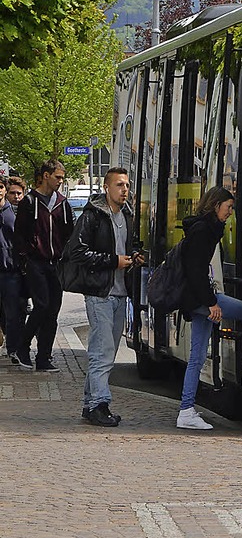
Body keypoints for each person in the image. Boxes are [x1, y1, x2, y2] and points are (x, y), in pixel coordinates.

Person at [63, 167, 140, 426]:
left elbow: (127, 247)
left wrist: (133, 257)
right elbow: (77, 252)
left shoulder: (127, 214)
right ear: (106, 187)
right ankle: (99, 404)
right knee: (102, 350)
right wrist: (112, 261)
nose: (125, 190)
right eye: (119, 185)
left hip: (120, 293)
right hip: (100, 293)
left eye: (127, 185)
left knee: (108, 350)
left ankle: (90, 403)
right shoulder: (93, 215)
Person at [177, 186, 242, 431]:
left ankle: (186, 410)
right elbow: (196, 271)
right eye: (228, 207)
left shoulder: (203, 228)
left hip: (198, 299)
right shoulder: (203, 231)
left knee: (197, 356)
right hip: (201, 299)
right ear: (216, 205)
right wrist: (212, 303)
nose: (230, 212)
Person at [13, 159, 74, 371]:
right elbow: (19, 235)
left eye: (62, 178)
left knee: (53, 310)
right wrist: (25, 258)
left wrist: (63, 255)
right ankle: (23, 346)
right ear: (46, 175)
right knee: (42, 305)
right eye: (57, 177)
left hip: (54, 262)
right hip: (35, 261)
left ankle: (44, 357)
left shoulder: (62, 203)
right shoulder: (29, 201)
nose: (60, 181)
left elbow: (69, 232)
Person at [0, 179, 27, 363]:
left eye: (0, 187)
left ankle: (13, 350)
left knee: (13, 313)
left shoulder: (14, 212)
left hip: (10, 271)